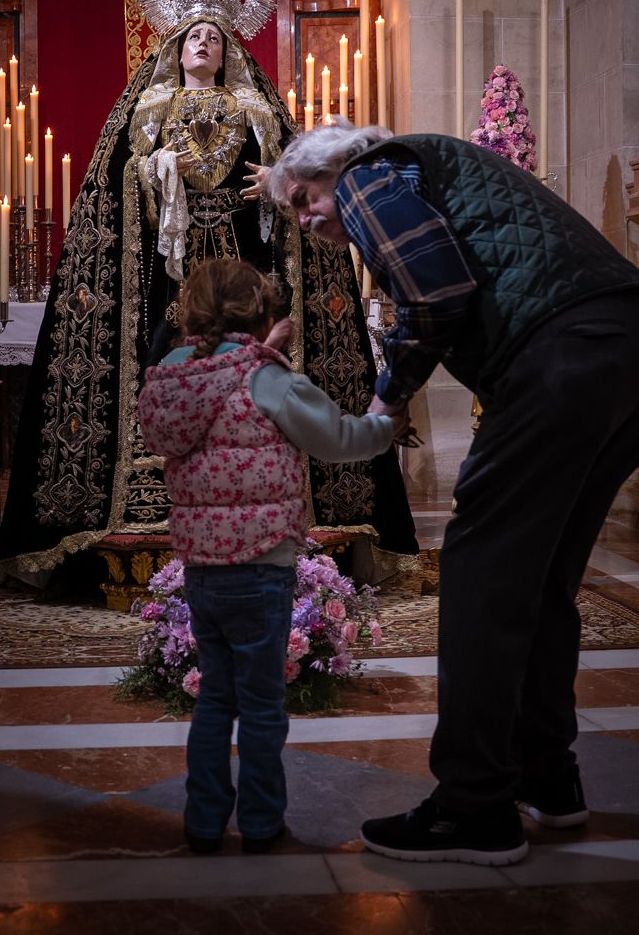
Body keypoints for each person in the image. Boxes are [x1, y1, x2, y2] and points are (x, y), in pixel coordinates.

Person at [268, 124, 639, 866]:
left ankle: (474, 807)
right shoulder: (433, 170)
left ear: (332, 170)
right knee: (539, 581)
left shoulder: (371, 175)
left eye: (302, 200)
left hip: (563, 357)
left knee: (481, 577)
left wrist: (389, 398)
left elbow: (438, 290)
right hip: (637, 355)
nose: (305, 220)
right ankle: (548, 780)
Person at [0, 0, 415, 588]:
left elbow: (293, 181)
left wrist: (276, 183)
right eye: (194, 36)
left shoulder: (257, 108)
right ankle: (155, 494)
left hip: (244, 258)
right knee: (174, 353)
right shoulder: (151, 106)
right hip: (170, 266)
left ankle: (260, 490)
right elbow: (119, 181)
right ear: (174, 45)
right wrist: (158, 168)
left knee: (249, 356)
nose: (205, 46)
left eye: (216, 38)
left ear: (230, 48)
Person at [138, 259, 399, 854]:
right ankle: (259, 823)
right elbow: (337, 438)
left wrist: (259, 348)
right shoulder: (267, 378)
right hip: (262, 566)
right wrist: (384, 425)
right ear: (263, 316)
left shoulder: (174, 373)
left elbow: (164, 429)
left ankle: (203, 821)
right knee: (260, 707)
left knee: (214, 702)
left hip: (201, 570)